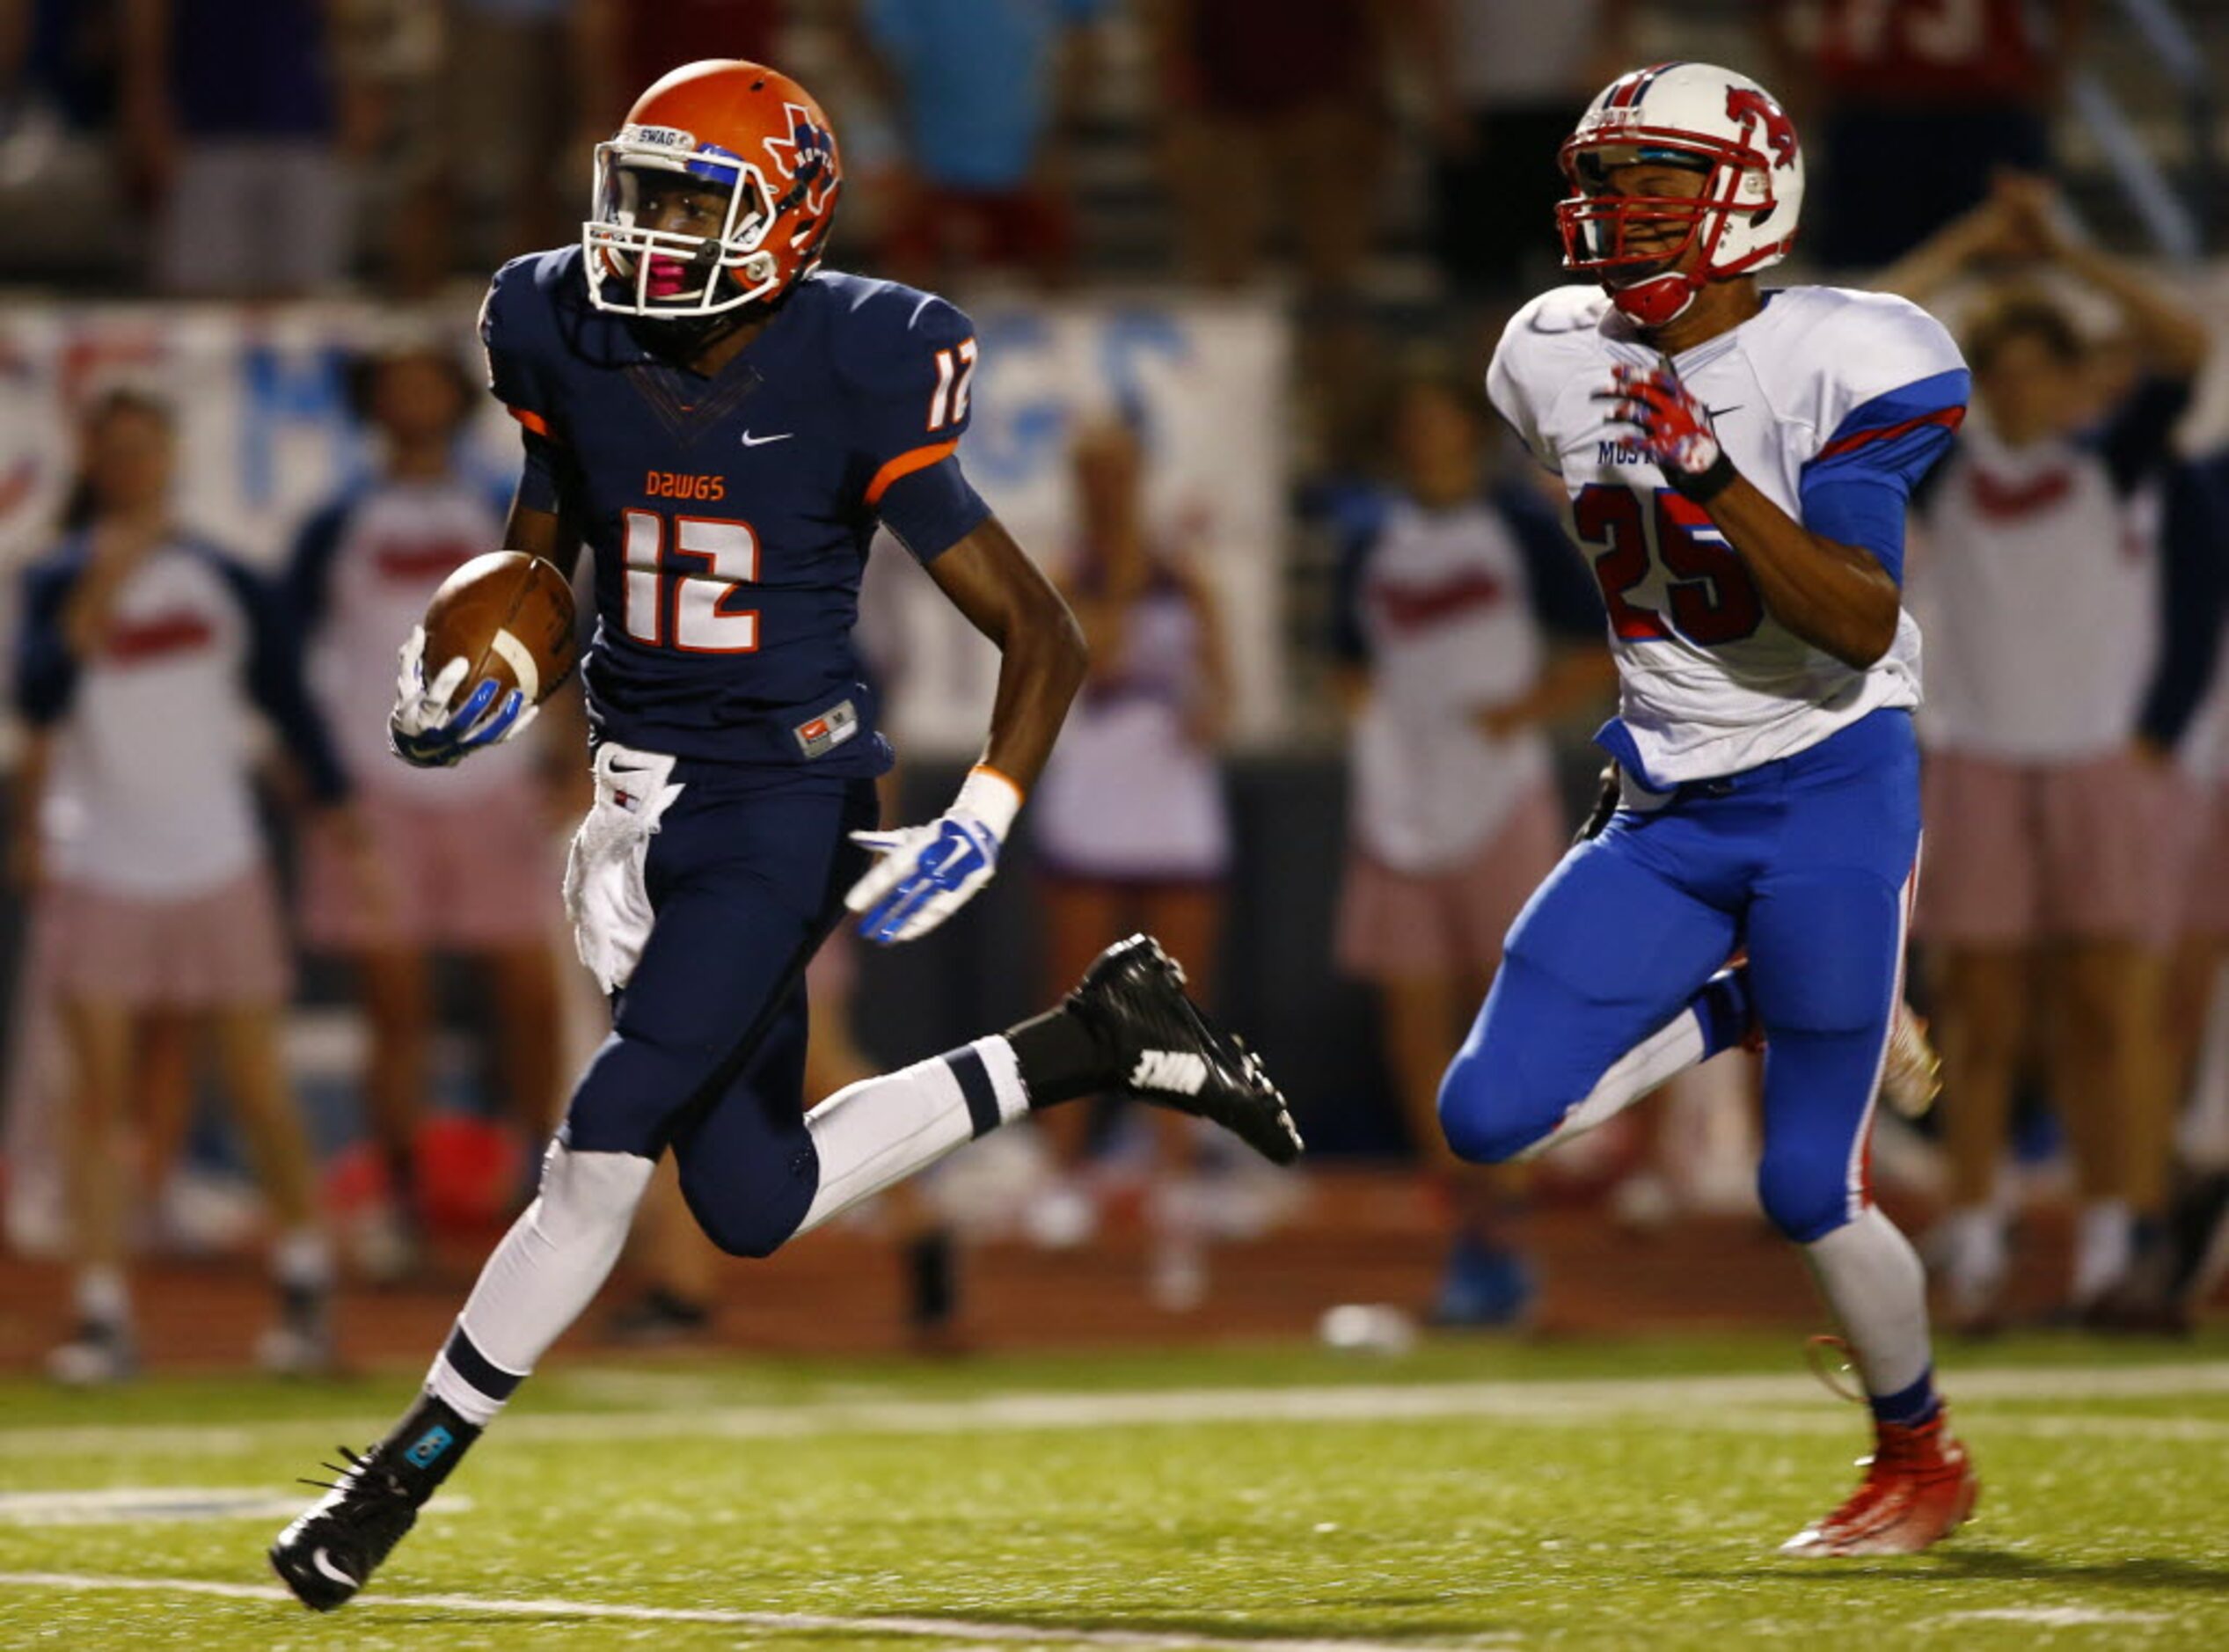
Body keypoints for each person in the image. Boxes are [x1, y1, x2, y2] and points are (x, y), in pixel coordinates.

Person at [267, 58, 1299, 1612]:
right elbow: (550, 532)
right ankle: (1092, 1038)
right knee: (745, 1199)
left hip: (785, 799)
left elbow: (1042, 629)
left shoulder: (858, 359)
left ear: (784, 218)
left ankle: (393, 1477)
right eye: (641, 193)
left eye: (692, 202)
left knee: (604, 1141)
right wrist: (487, 665)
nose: (647, 231)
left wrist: (987, 808)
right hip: (636, 798)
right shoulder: (557, 323)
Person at [1447, 62, 1976, 1556]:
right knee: (1486, 1116)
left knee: (1806, 1180)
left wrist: (1707, 473)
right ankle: (1743, 1001)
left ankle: (1915, 1457)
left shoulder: (1845, 355)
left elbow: (1856, 621)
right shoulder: (1545, 347)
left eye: (1650, 183)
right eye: (1602, 181)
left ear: (1747, 194)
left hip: (1826, 784)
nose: (1612, 211)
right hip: (1664, 801)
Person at [1879, 179, 2211, 1331]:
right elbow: (1859, 345)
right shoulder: (1945, 466)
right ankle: (1972, 1244)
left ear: (2075, 381)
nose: (2021, 391)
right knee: (1980, 1011)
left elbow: (2183, 341)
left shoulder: (2114, 457)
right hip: (1975, 755)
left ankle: (2117, 1249)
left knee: (2110, 1009)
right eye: (2000, 371)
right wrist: (1973, 245)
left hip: (2091, 757)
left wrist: (2067, 249)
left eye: (2040, 369)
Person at [10, 386, 360, 1383]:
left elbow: (289, 707)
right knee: (97, 1101)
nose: (131, 467)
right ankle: (102, 1310)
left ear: (170, 458)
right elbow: (39, 697)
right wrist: (99, 588)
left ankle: (303, 1290)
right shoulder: (56, 578)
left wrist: (344, 824)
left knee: (258, 1086)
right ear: (92, 462)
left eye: (145, 449)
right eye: (113, 451)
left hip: (219, 861)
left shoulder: (226, 579)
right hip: (103, 863)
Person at [1330, 368, 1611, 1326]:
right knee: (1415, 1026)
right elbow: (1345, 661)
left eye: (1440, 420)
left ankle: (1511, 1225)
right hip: (1398, 806)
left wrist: (1515, 714)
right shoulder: (1367, 532)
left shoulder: (1519, 526)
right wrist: (1380, 740)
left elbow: (1594, 643)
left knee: (1508, 1015)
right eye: (1411, 423)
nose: (1426, 439)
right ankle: (1466, 1225)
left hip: (1499, 797)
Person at [287, 336, 571, 1279]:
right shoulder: (337, 522)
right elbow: (287, 663)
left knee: (530, 999)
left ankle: (543, 1194)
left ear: (454, 398)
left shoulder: (503, 507)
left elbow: (558, 624)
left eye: (427, 382)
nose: (413, 399)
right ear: (376, 402)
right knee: (394, 1005)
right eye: (396, 383)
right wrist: (316, 782)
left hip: (497, 781)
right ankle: (404, 1204)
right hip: (380, 786)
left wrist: (569, 752)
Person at [1028, 416, 1236, 1309]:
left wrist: (1202, 710)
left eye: (1117, 472)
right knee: (1076, 992)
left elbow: (1222, 692)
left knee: (1175, 1000)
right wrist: (1119, 573)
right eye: (1091, 474)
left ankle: (1173, 1183)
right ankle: (1061, 1174)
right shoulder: (1064, 574)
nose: (1105, 487)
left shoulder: (1183, 576)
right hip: (1091, 798)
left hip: (1172, 801)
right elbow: (1091, 659)